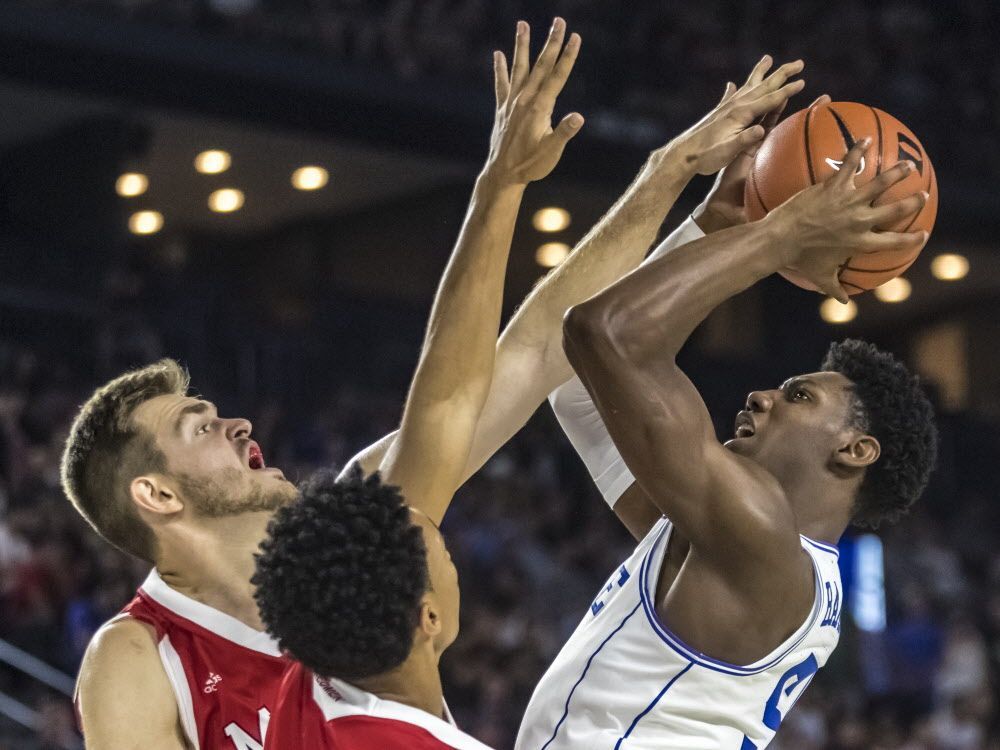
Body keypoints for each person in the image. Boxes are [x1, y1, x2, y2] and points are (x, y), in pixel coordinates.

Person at [254, 53, 814, 750]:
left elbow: (519, 367)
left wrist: (682, 191)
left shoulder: (317, 663)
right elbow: (508, 372)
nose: (439, 519)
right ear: (427, 619)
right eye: (438, 543)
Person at [62, 18, 586, 747]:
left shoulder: (350, 537)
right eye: (200, 428)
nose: (238, 424)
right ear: (156, 494)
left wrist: (695, 203)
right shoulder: (137, 656)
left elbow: (529, 357)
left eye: (218, 413)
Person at [514, 137, 938, 749]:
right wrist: (720, 223)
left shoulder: (757, 534)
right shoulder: (735, 536)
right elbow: (579, 394)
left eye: (798, 398)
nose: (762, 397)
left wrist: (779, 235)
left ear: (854, 449)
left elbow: (601, 331)